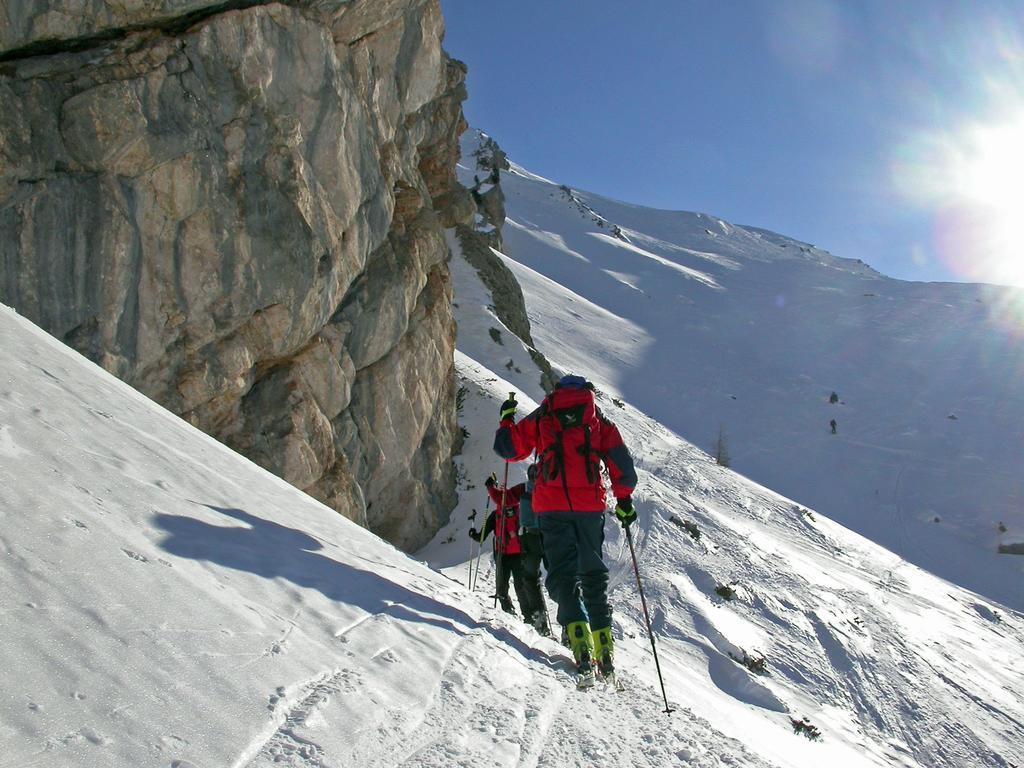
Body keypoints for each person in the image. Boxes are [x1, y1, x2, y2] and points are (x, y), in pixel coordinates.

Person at [493, 375, 637, 687]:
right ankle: (605, 651)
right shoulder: (598, 420)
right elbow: (621, 464)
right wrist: (623, 500)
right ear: (588, 393)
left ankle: (580, 643)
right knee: (593, 577)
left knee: (561, 576)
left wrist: (506, 420)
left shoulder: (544, 415)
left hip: (551, 506)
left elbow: (508, 449)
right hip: (589, 508)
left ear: (557, 392)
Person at [468, 477, 530, 617]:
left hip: (507, 554)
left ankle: (515, 613)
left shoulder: (499, 514)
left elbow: (482, 536)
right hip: (514, 554)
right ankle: (523, 616)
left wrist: (474, 535)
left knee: (507, 587)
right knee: (517, 587)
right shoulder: (514, 512)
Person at [515, 464, 552, 637]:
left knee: (530, 577)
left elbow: (524, 521)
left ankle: (539, 617)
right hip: (550, 537)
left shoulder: (525, 496)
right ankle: (570, 624)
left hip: (530, 538)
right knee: (561, 577)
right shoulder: (550, 493)